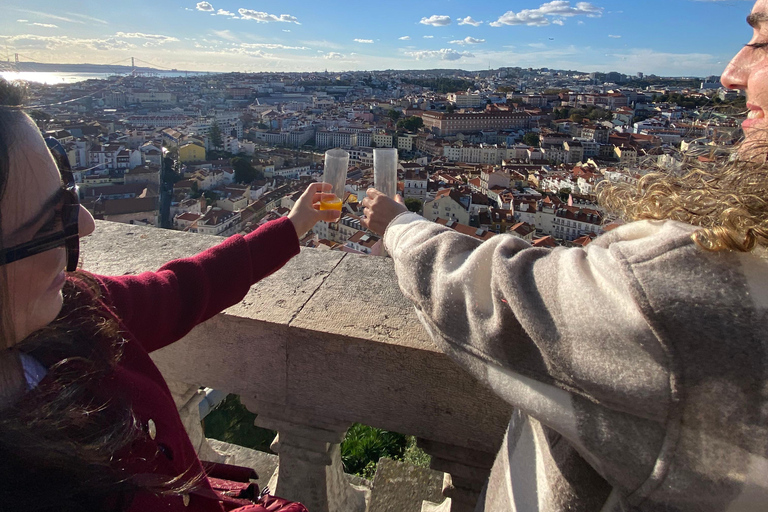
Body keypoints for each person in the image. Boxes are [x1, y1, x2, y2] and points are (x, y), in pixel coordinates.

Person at [362, 2, 768, 510]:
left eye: (763, 39)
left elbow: (490, 298)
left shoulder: (692, 287)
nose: (731, 74)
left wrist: (398, 225)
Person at [0, 78, 340, 511]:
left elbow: (185, 288)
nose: (85, 224)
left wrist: (292, 227)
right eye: (52, 220)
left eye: (70, 200)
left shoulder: (78, 304)